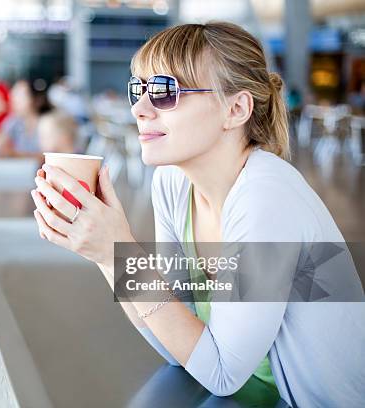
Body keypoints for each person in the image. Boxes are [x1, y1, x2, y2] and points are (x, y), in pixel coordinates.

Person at [30, 22, 365, 407]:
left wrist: (119, 255)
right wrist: (109, 255)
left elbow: (221, 372)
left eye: (164, 92)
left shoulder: (266, 198)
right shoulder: (173, 184)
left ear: (235, 109)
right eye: (138, 90)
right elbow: (179, 348)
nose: (139, 109)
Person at [0, 79, 52, 157]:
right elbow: (1, 147)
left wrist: (14, 154)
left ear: (37, 99)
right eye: (13, 95)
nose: (14, 100)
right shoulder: (13, 122)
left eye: (20, 96)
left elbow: (49, 157)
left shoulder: (49, 123)